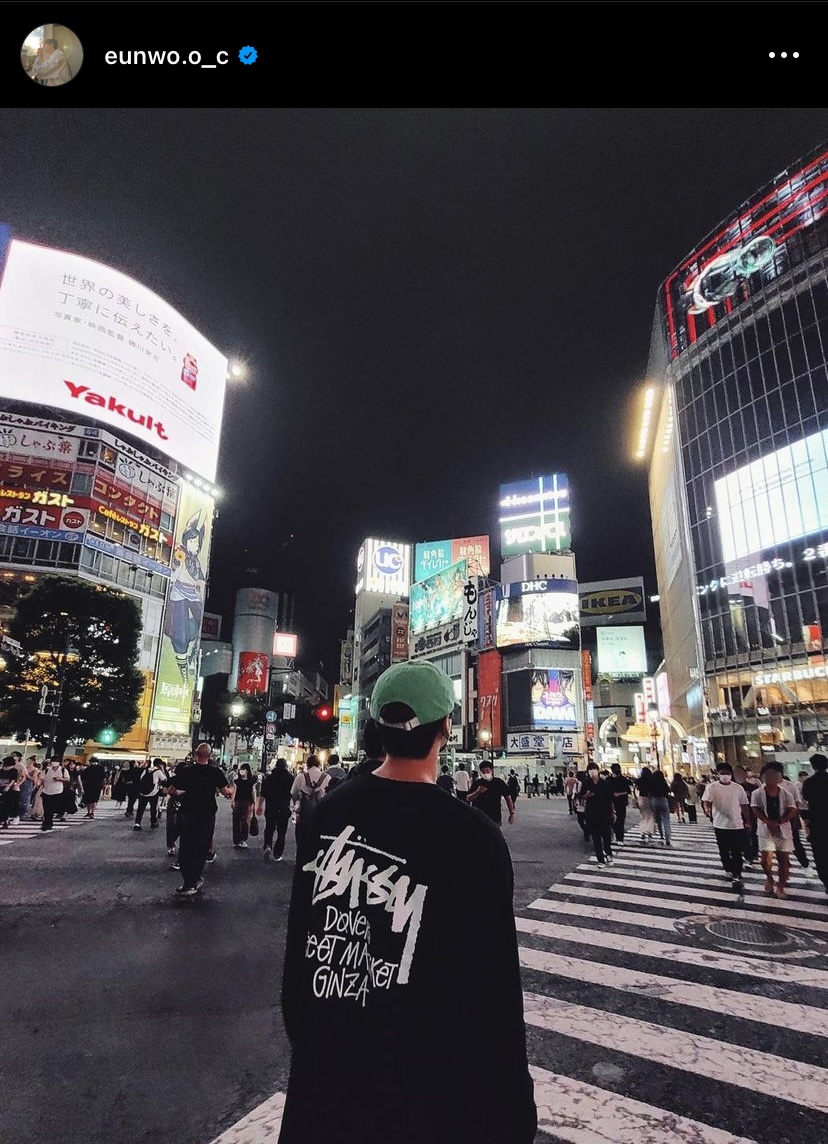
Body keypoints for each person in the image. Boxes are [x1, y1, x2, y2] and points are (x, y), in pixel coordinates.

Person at [278, 659, 536, 1144]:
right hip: (427, 1080)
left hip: (328, 1070)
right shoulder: (472, 837)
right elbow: (494, 981)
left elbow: (302, 936)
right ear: (446, 728)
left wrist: (309, 1041)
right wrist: (511, 1103)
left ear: (376, 727)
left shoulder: (332, 812)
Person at [168, 742, 234, 896]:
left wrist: (181, 792)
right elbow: (226, 792)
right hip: (207, 814)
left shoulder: (186, 771)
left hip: (188, 812)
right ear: (210, 756)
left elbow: (172, 790)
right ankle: (195, 879)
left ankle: (187, 881)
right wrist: (233, 788)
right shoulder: (215, 772)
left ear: (195, 754)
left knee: (186, 847)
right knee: (201, 848)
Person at [702, 762, 751, 893]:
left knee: (736, 851)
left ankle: (737, 873)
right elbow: (706, 801)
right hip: (720, 824)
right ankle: (727, 868)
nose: (725, 776)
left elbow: (744, 805)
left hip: (737, 824)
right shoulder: (712, 787)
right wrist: (707, 810)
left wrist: (748, 821)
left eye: (727, 773)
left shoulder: (738, 788)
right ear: (718, 774)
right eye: (722, 773)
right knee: (723, 849)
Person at [751, 762, 798, 898]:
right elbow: (755, 808)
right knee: (765, 859)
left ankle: (781, 887)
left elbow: (792, 809)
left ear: (780, 777)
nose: (771, 777)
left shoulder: (786, 793)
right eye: (768, 774)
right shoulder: (757, 793)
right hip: (765, 830)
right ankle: (769, 878)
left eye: (774, 775)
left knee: (783, 860)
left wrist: (781, 821)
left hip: (782, 829)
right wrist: (767, 821)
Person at [290, 755, 329, 849]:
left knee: (301, 840)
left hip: (303, 814)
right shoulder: (327, 777)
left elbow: (294, 794)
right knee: (317, 842)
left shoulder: (300, 777)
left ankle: (300, 860)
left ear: (307, 765)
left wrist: (296, 805)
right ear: (319, 765)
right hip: (321, 815)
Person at [801, 754, 828, 895]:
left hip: (817, 823)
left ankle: (826, 881)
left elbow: (805, 797)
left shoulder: (809, 782)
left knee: (820, 855)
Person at [258, 757, 294, 861]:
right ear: (286, 766)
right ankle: (278, 853)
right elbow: (294, 794)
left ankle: (268, 845)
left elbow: (263, 793)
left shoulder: (269, 778)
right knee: (281, 832)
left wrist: (260, 806)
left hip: (271, 806)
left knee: (269, 828)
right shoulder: (290, 778)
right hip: (284, 808)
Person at [581, 762, 615, 867]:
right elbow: (581, 795)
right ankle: (600, 859)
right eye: (590, 770)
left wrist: (613, 812)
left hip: (604, 812)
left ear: (597, 770)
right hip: (591, 813)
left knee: (606, 836)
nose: (592, 772)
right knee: (596, 837)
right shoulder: (586, 783)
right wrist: (586, 795)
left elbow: (610, 799)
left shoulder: (604, 783)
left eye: (593, 769)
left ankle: (608, 853)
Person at [467, 760, 515, 827]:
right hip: (479, 817)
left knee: (494, 836)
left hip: (494, 817)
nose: (486, 773)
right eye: (483, 772)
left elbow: (508, 798)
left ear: (492, 770)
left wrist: (511, 813)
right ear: (480, 772)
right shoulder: (477, 783)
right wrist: (477, 792)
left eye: (487, 771)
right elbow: (468, 798)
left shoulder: (499, 782)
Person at [133, 758, 165, 830]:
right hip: (153, 792)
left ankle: (137, 823)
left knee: (141, 808)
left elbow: (141, 779)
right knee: (153, 808)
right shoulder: (158, 771)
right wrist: (162, 770)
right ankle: (153, 822)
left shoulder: (146, 770)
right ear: (160, 764)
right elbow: (164, 779)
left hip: (143, 792)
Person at [232, 762, 257, 848]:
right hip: (238, 801)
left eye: (243, 769)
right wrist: (232, 801)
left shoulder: (252, 780)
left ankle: (242, 839)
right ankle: (237, 840)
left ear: (247, 770)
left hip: (247, 802)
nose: (241, 771)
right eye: (241, 769)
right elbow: (234, 790)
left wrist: (254, 802)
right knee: (236, 820)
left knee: (245, 821)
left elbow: (253, 791)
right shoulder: (237, 780)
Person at [40, 758, 70, 831]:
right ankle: (47, 823)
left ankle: (48, 823)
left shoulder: (63, 770)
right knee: (46, 808)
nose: (54, 763)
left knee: (52, 808)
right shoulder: (47, 770)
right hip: (46, 791)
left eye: (56, 761)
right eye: (53, 761)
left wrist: (60, 779)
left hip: (57, 791)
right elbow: (41, 778)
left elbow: (67, 779)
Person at [607, 762, 632, 846]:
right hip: (618, 803)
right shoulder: (623, 779)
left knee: (615, 820)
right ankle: (619, 838)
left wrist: (616, 794)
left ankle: (617, 836)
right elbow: (628, 791)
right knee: (618, 820)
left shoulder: (609, 780)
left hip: (613, 803)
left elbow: (628, 791)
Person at [649, 768, 673, 846]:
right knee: (666, 819)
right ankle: (667, 837)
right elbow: (668, 791)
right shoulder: (664, 782)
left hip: (654, 800)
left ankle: (661, 834)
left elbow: (649, 792)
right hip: (663, 800)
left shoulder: (652, 783)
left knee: (657, 819)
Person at [635, 766, 656, 845]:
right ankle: (650, 832)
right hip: (650, 797)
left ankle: (643, 832)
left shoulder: (639, 780)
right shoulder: (652, 780)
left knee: (643, 816)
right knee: (650, 816)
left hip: (641, 798)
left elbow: (635, 788)